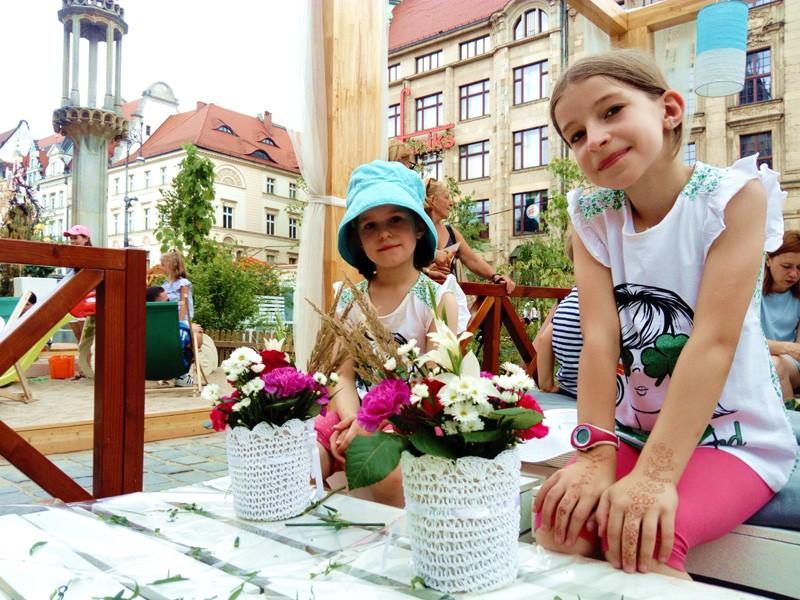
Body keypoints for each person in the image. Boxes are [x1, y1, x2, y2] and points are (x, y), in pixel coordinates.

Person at [534, 49, 797, 579]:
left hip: (736, 438)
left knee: (647, 541)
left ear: (669, 109)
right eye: (576, 135)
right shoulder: (592, 217)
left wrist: (655, 478)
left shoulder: (731, 198)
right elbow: (599, 340)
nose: (595, 137)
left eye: (610, 111)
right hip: (635, 431)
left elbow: (714, 342)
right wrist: (593, 454)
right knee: (557, 525)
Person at [315, 160, 459, 506]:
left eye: (396, 219)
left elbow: (434, 384)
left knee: (390, 478)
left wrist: (374, 427)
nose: (384, 233)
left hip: (410, 422)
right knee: (302, 458)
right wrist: (352, 419)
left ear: (419, 228)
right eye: (369, 225)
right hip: (348, 415)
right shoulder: (349, 299)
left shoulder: (437, 300)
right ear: (358, 238)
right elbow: (342, 375)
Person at [423, 178, 515, 294]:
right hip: (420, 301)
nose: (452, 203)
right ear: (432, 200)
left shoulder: (452, 232)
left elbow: (473, 260)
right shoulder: (416, 230)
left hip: (447, 300)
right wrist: (426, 271)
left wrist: (496, 276)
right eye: (446, 197)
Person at [533, 233, 580, 398]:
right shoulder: (607, 300)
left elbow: (545, 339)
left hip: (566, 390)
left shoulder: (569, 301)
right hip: (603, 398)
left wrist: (546, 384)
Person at [760, 230, 800, 399]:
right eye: (786, 266)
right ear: (768, 259)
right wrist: (787, 347)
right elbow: (742, 341)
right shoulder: (750, 293)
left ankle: (789, 421)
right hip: (753, 357)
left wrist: (784, 350)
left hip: (788, 364)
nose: (794, 274)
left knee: (775, 365)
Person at [64, 225, 95, 379]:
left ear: (86, 238)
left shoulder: (91, 255)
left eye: (76, 238)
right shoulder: (75, 257)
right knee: (84, 339)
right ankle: (86, 370)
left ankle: (91, 369)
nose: (72, 241)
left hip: (93, 302)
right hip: (86, 303)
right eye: (71, 238)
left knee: (92, 340)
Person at [146, 285, 194, 379]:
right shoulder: (178, 329)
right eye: (167, 301)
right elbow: (197, 341)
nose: (170, 304)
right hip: (175, 370)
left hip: (146, 372)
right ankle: (183, 378)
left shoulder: (139, 329)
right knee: (194, 343)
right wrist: (194, 330)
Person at [160, 251, 194, 325]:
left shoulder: (183, 283)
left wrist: (179, 322)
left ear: (171, 266)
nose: (160, 267)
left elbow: (184, 304)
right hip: (169, 319)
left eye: (163, 265)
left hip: (181, 320)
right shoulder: (165, 284)